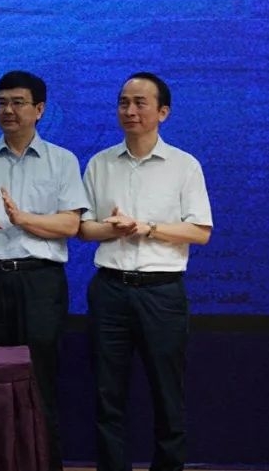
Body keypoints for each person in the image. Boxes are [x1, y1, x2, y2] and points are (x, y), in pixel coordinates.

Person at [0, 70, 87, 471]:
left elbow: (71, 224)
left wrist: (23, 218)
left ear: (39, 109)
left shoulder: (62, 160)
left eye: (17, 103)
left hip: (40, 281)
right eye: (1, 102)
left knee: (39, 377)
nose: (8, 110)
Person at [79, 72, 212, 471]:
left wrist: (146, 227)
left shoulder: (184, 166)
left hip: (162, 292)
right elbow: (84, 229)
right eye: (123, 102)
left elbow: (200, 232)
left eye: (140, 103)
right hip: (110, 290)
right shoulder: (100, 163)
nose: (130, 110)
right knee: (107, 395)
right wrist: (115, 229)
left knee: (167, 394)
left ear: (163, 112)